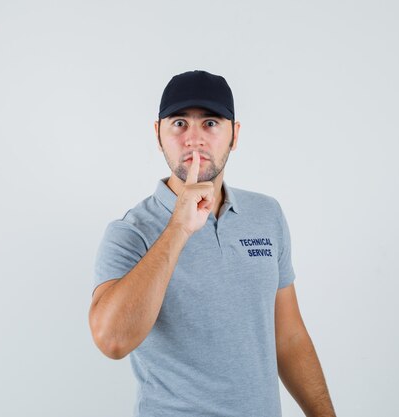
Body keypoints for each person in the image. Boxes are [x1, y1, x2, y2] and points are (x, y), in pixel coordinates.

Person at [89, 70, 336, 417]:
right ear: (157, 134)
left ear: (234, 135)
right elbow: (112, 341)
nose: (193, 139)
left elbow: (289, 337)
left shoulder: (267, 215)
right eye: (178, 123)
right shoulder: (131, 232)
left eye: (210, 123)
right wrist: (179, 226)